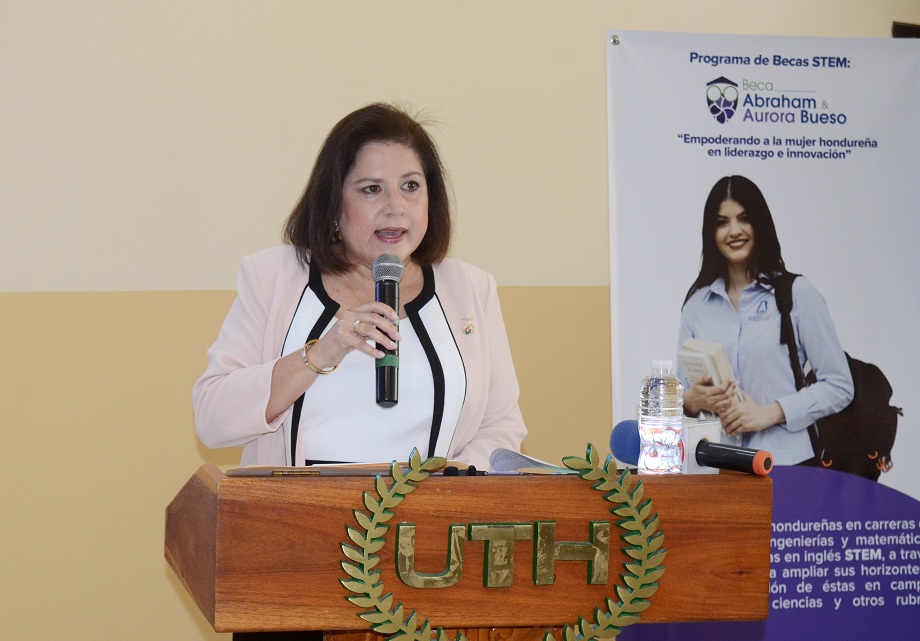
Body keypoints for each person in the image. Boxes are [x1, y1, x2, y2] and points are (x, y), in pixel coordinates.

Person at [193, 103, 527, 478]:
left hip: (427, 521)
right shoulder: (273, 277)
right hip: (295, 522)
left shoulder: (469, 289)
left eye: (411, 186)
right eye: (372, 190)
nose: (395, 207)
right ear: (334, 204)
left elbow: (501, 427)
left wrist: (443, 489)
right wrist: (323, 352)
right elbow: (212, 418)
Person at [677, 175, 853, 466]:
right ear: (711, 232)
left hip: (788, 467)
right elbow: (682, 396)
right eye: (722, 222)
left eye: (743, 219)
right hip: (720, 467)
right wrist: (693, 401)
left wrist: (769, 412)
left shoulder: (796, 293)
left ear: (760, 223)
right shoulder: (696, 306)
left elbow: (840, 385)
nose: (734, 231)